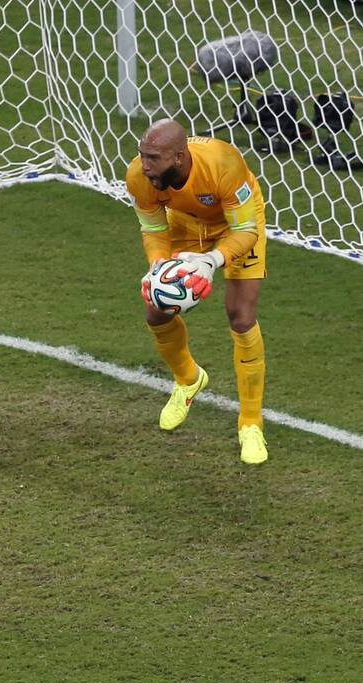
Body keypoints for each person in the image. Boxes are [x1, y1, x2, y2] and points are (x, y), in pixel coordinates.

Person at [127, 119, 268, 464]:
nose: (145, 165)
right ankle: (188, 379)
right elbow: (153, 228)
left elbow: (246, 230)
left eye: (153, 158)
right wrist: (157, 267)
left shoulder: (223, 163)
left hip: (236, 226)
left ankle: (250, 423)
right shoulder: (139, 176)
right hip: (187, 223)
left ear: (178, 157)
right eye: (142, 155)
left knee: (241, 316)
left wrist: (212, 261)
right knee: (154, 309)